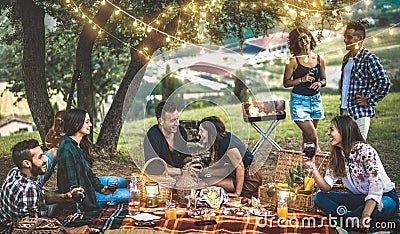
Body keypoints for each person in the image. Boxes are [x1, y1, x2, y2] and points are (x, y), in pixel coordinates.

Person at [305, 115, 398, 230]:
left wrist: (366, 215)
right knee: (319, 197)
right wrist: (312, 166)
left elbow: (375, 188)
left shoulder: (365, 151)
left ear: (344, 131)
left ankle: (349, 216)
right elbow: (326, 187)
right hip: (360, 198)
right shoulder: (338, 155)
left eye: (332, 129)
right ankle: (350, 217)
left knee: (378, 209)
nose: (328, 133)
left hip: (384, 197)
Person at [57, 109, 128, 214]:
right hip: (85, 194)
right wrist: (85, 202)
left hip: (86, 182)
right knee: (127, 194)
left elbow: (88, 173)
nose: (90, 124)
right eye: (87, 122)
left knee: (121, 181)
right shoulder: (67, 150)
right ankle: (100, 195)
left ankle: (103, 190)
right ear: (76, 124)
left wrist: (102, 189)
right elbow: (74, 186)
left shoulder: (78, 144)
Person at [0, 139, 84, 227]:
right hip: (24, 225)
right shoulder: (29, 190)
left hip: (13, 213)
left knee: (54, 152)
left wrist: (65, 196)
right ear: (27, 163)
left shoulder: (16, 171)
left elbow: (40, 194)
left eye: (43, 154)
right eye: (40, 157)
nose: (45, 159)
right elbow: (33, 227)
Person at [339, 21, 390, 140]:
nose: (345, 40)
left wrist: (369, 99)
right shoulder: (346, 58)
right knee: (344, 150)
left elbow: (384, 82)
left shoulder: (369, 58)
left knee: (357, 150)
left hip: (359, 113)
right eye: (345, 37)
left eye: (349, 37)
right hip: (344, 112)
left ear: (360, 38)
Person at [283, 27, 327, 151]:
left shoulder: (319, 58)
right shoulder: (292, 61)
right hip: (299, 102)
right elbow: (286, 83)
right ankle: (318, 156)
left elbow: (324, 79)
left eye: (304, 37)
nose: (303, 41)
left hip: (315, 100)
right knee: (313, 137)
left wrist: (319, 83)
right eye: (298, 40)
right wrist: (302, 79)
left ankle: (306, 166)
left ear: (309, 37)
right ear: (295, 43)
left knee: (307, 138)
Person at [197, 116, 262, 198]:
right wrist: (204, 172)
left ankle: (239, 190)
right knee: (206, 178)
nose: (199, 134)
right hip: (237, 173)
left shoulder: (227, 143)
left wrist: (237, 193)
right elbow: (219, 165)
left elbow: (240, 167)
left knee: (207, 182)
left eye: (202, 131)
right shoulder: (220, 141)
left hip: (250, 178)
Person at [143, 101, 191, 176]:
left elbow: (184, 157)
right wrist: (181, 171)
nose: (177, 123)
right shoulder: (152, 137)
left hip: (182, 178)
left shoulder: (181, 131)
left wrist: (193, 163)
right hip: (161, 180)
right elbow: (152, 168)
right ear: (161, 121)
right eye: (173, 120)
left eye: (177, 119)